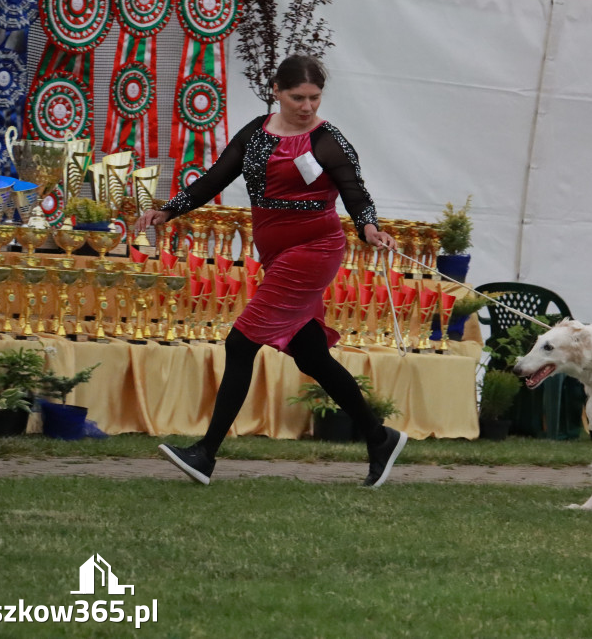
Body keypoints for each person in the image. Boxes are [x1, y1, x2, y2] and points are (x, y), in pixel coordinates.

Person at [135, 55, 407, 487]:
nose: (307, 106)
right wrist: (168, 210)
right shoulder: (256, 134)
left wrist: (369, 228)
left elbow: (355, 191)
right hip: (276, 253)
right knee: (312, 355)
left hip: (315, 249)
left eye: (314, 97)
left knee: (241, 342)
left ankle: (205, 453)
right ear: (276, 91)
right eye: (298, 97)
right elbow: (214, 179)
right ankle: (379, 437)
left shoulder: (328, 140)